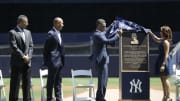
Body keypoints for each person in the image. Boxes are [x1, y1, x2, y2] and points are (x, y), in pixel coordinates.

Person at [90, 18, 123, 101]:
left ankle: (100, 97)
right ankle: (100, 98)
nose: (105, 27)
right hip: (100, 61)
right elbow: (107, 41)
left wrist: (112, 24)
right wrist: (118, 36)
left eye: (105, 26)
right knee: (102, 80)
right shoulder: (97, 34)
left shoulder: (101, 32)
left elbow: (106, 31)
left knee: (104, 80)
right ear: (98, 26)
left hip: (103, 60)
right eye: (103, 26)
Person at [9, 15, 33, 101]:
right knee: (15, 85)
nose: (27, 24)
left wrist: (28, 57)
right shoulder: (12, 32)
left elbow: (31, 46)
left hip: (27, 63)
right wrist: (23, 56)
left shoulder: (28, 32)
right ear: (21, 22)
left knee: (27, 85)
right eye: (26, 22)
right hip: (17, 63)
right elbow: (14, 47)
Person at [148, 25, 173, 101]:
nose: (160, 32)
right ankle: (164, 96)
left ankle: (169, 96)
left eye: (161, 31)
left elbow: (166, 54)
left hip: (164, 61)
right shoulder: (162, 40)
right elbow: (156, 39)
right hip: (160, 60)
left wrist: (163, 65)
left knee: (165, 79)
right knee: (162, 80)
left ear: (164, 32)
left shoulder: (166, 42)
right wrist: (150, 32)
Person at [43, 17, 65, 101]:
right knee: (51, 81)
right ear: (56, 23)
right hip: (53, 62)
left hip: (60, 62)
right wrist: (48, 62)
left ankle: (58, 98)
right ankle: (49, 98)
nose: (63, 25)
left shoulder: (58, 33)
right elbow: (46, 49)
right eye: (61, 23)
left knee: (58, 81)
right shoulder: (51, 34)